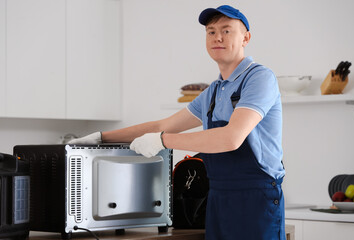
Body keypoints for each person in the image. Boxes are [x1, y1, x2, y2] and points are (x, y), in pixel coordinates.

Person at [70, 5, 285, 240]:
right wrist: (101, 137)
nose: (218, 37)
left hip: (256, 199)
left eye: (226, 30)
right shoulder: (213, 92)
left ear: (246, 38)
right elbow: (162, 125)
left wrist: (163, 141)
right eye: (211, 32)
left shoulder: (259, 78)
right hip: (219, 198)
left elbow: (231, 138)